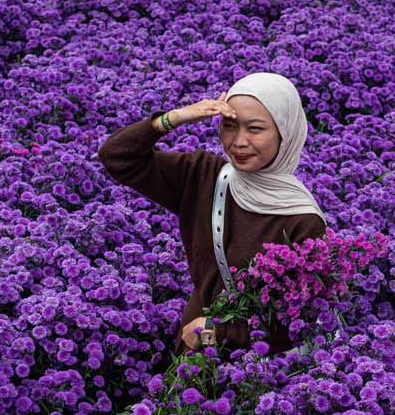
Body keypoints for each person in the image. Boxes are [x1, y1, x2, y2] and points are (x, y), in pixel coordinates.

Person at [97, 72, 328, 356]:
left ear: (286, 132)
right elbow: (117, 157)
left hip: (259, 375)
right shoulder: (204, 176)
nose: (239, 141)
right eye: (229, 126)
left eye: (255, 129)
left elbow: (294, 320)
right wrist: (174, 118)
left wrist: (216, 331)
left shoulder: (303, 220)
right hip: (193, 356)